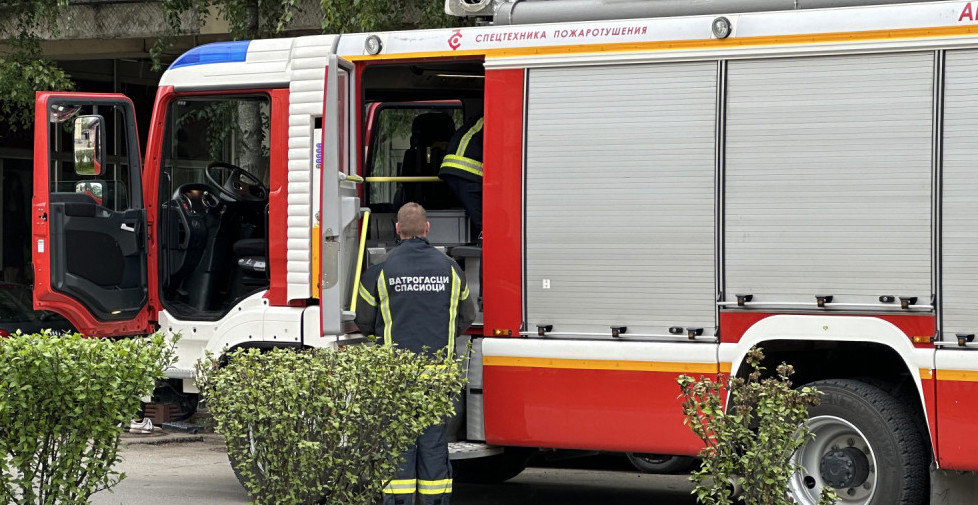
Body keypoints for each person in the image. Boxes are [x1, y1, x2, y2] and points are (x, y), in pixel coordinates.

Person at [355, 202, 477, 505]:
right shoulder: (451, 268)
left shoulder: (380, 271)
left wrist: (384, 340)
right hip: (437, 378)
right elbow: (467, 316)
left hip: (396, 376)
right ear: (427, 229)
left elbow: (364, 321)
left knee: (398, 441)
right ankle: (434, 501)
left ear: (398, 230)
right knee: (434, 443)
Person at [438, 116, 484, 239]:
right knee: (485, 225)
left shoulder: (481, 119)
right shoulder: (493, 118)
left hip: (457, 169)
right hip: (465, 170)